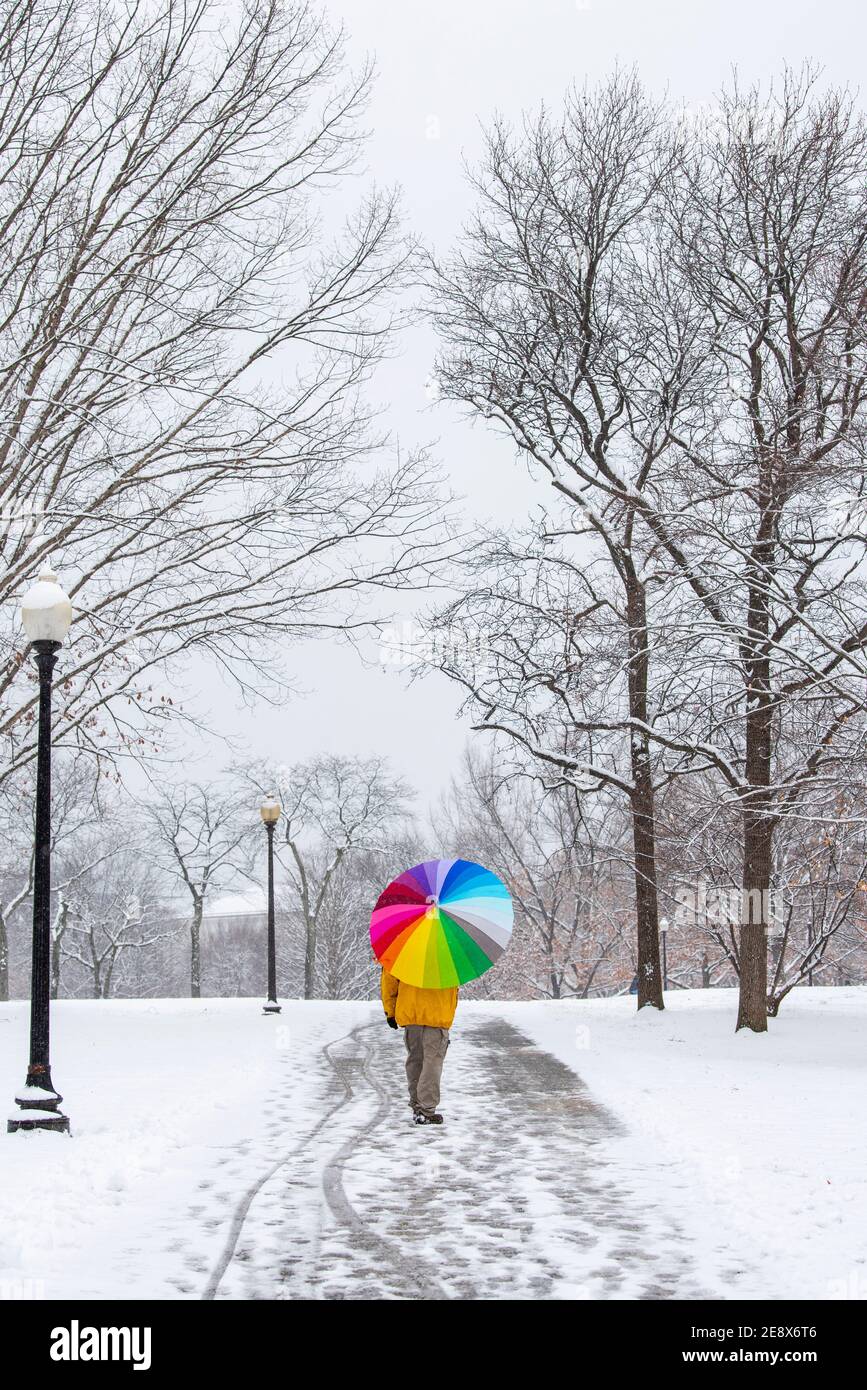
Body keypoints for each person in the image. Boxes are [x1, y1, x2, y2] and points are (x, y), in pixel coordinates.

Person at [380, 968, 458, 1125]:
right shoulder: (449, 953)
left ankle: (417, 1105)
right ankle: (426, 1109)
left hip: (411, 1013)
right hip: (437, 1014)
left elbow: (389, 981)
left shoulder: (404, 951)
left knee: (415, 1060)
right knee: (432, 1063)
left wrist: (391, 1011)